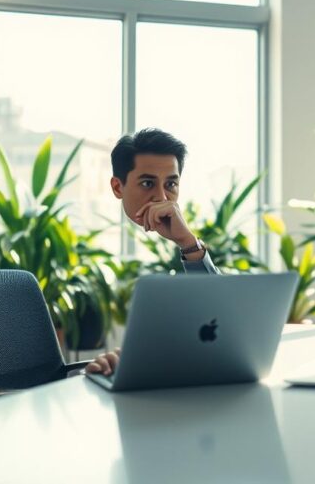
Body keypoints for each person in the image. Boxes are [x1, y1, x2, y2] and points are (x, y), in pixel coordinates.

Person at [85, 128, 218, 376]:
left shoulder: (179, 237)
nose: (160, 196)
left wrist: (187, 241)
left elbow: (223, 318)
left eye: (171, 184)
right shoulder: (92, 246)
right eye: (147, 183)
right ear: (117, 187)